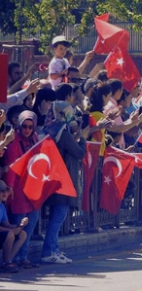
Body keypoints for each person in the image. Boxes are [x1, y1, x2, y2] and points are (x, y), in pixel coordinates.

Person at [41, 101, 85, 264]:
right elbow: (78, 153)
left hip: (50, 177)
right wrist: (81, 139)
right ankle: (48, 251)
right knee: (58, 217)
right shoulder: (62, 133)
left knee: (56, 216)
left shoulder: (47, 129)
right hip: (62, 179)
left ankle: (54, 249)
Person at [3, 111, 42, 268]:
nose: (27, 130)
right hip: (18, 191)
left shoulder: (35, 139)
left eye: (30, 127)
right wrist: (10, 187)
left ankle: (22, 256)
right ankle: (11, 259)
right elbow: (12, 167)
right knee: (19, 225)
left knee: (31, 223)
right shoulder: (14, 143)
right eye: (24, 126)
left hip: (32, 190)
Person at [0, 180, 29, 274]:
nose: (4, 193)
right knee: (10, 234)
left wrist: (19, 225)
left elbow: (6, 224)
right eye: (1, 191)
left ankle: (8, 261)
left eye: (6, 190)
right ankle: (6, 263)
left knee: (23, 234)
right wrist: (12, 230)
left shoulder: (2, 206)